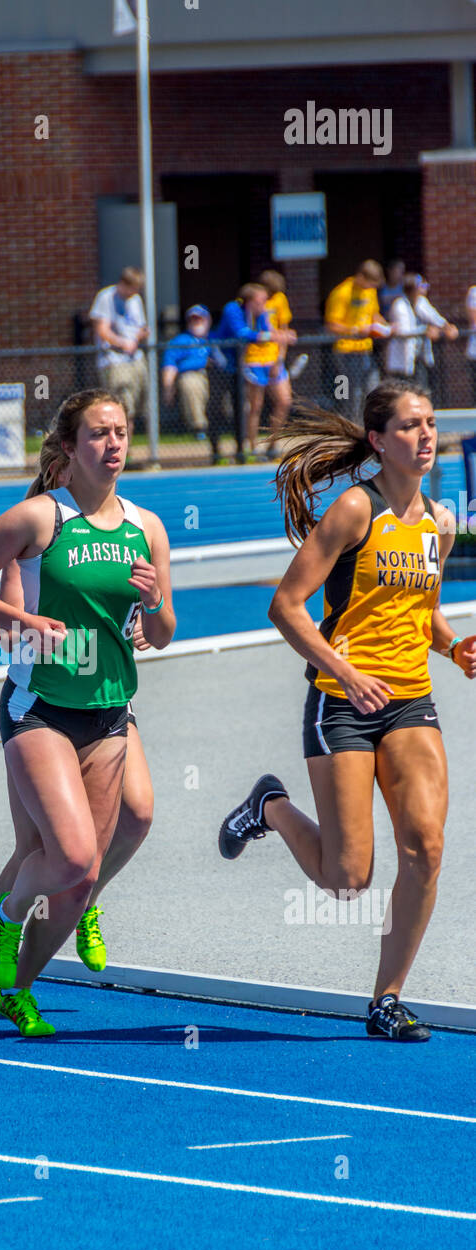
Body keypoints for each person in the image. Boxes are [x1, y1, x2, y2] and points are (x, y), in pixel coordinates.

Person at [219, 381, 476, 1042]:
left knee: (426, 847)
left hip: (409, 700)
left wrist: (453, 648)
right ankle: (269, 806)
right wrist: (346, 672)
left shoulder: (439, 523)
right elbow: (286, 605)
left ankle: (386, 1000)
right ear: (378, 441)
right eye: (411, 426)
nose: (425, 436)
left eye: (430, 425)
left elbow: (423, 614)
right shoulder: (354, 512)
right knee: (347, 878)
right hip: (341, 704)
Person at [0, 389, 174, 1036]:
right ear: (69, 448)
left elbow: (164, 634)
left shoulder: (148, 527)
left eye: (123, 432)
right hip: (39, 707)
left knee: (86, 865)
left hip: (109, 713)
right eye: (99, 434)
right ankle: (7, 920)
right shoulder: (40, 519)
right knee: (67, 858)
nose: (115, 445)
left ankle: (18, 986)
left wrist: (154, 607)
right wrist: (18, 619)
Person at [0, 552, 155, 1008]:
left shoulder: (126, 530)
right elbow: (5, 638)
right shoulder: (32, 542)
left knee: (136, 815)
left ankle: (87, 902)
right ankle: (7, 962)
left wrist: (143, 623)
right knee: (39, 850)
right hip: (43, 706)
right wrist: (31, 632)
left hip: (108, 702)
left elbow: (151, 621)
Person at [208, 284, 295, 463]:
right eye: (260, 301)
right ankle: (238, 450)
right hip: (223, 362)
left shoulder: (262, 313)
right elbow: (243, 334)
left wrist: (281, 335)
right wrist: (273, 336)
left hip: (245, 362)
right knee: (227, 407)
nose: (264, 304)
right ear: (249, 301)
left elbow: (268, 333)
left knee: (281, 401)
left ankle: (268, 446)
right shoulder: (232, 309)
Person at [324, 259, 388, 421]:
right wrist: (355, 330)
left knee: (373, 389)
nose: (369, 288)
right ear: (360, 276)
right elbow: (331, 325)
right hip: (346, 351)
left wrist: (385, 326)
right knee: (351, 394)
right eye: (368, 284)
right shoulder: (341, 293)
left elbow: (374, 314)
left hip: (365, 350)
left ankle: (369, 427)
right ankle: (351, 428)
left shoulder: (370, 292)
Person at [243, 270, 298, 458]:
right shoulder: (252, 302)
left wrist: (279, 359)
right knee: (255, 405)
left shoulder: (280, 300)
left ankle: (272, 444)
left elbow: (283, 330)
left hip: (274, 358)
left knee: (284, 401)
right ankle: (252, 448)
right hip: (254, 358)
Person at [89, 268, 150, 432]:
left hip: (135, 358)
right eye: (133, 288)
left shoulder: (136, 300)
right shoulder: (105, 297)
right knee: (123, 408)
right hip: (115, 360)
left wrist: (140, 336)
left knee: (140, 407)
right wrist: (123, 343)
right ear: (123, 283)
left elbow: (140, 327)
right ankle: (123, 454)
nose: (135, 292)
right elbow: (102, 330)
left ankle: (128, 450)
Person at [385, 274, 458, 386]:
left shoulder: (421, 302)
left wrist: (448, 328)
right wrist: (426, 330)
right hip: (402, 360)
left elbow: (435, 318)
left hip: (419, 358)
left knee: (422, 390)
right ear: (413, 289)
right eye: (422, 285)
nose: (426, 288)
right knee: (404, 391)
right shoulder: (399, 304)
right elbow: (404, 331)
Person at [161, 305, 211, 440]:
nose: (196, 322)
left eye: (199, 319)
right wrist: (168, 389)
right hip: (191, 375)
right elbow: (169, 366)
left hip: (215, 376)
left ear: (207, 320)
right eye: (192, 320)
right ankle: (199, 428)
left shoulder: (214, 338)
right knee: (190, 383)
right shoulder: (180, 341)